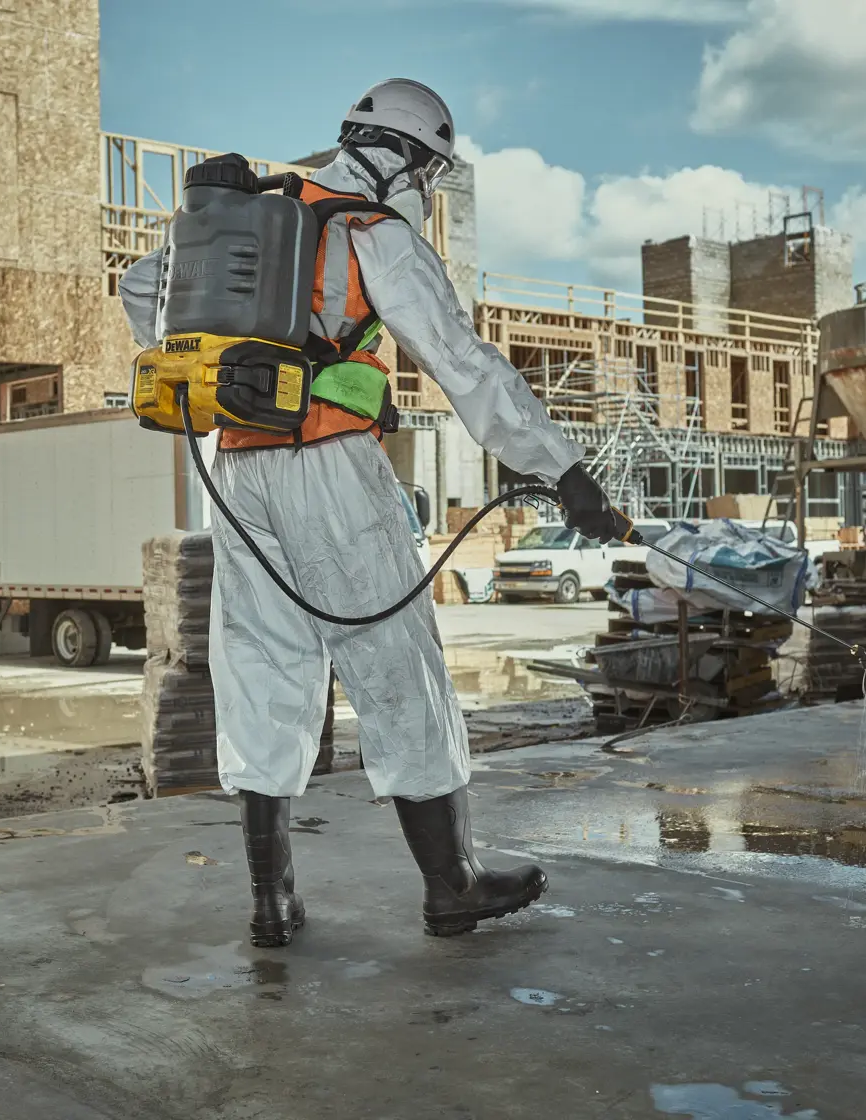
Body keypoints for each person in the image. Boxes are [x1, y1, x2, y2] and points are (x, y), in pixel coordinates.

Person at [118, 79, 621, 946]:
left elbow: (140, 292)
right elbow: (463, 363)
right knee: (397, 666)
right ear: (415, 162)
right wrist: (563, 469)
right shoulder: (369, 232)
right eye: (431, 173)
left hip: (235, 471)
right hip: (331, 471)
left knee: (263, 673)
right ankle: (451, 884)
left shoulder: (244, 220)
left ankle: (270, 904)